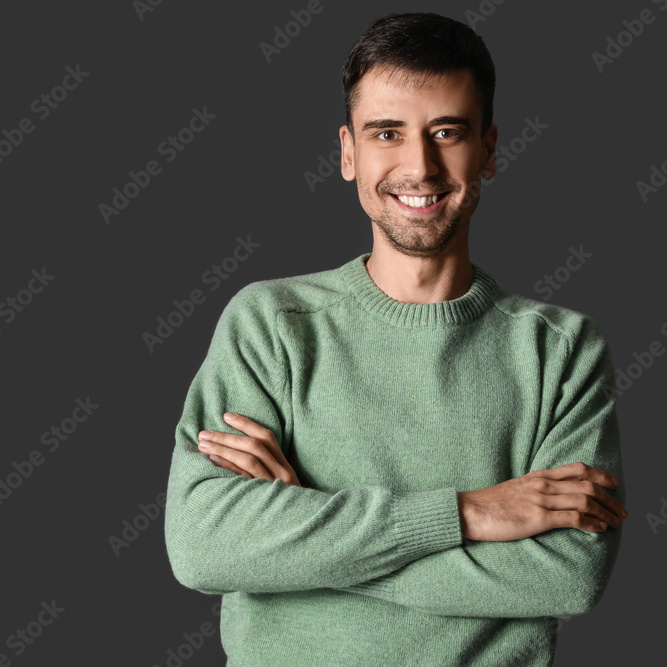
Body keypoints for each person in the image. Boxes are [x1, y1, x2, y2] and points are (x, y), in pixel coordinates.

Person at [165, 12, 628, 666]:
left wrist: (302, 525)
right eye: (387, 133)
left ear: (489, 151)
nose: (420, 165)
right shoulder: (269, 323)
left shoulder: (562, 350)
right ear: (349, 152)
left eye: (448, 132)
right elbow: (204, 546)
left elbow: (568, 574)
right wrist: (468, 514)